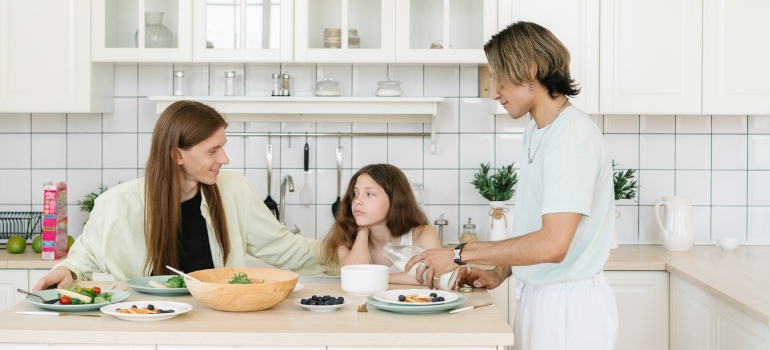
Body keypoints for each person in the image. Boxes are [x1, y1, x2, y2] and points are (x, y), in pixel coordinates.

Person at [408, 22, 618, 349]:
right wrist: (499, 271)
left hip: (569, 311)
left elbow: (553, 244)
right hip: (543, 299)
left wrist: (459, 254)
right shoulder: (538, 131)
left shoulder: (570, 140)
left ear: (531, 69)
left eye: (498, 77)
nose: (494, 92)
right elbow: (534, 225)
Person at [34, 100, 322, 290]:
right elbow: (79, 263)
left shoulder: (234, 190)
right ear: (177, 155)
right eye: (213, 150)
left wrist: (346, 251)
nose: (225, 158)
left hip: (218, 327)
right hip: (146, 326)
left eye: (223, 147)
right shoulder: (116, 205)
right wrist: (66, 273)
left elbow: (286, 249)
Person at [320, 163, 441, 285]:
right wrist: (363, 231)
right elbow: (356, 278)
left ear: (395, 199)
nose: (357, 201)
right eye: (355, 193)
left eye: (369, 194)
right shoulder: (345, 240)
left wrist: (379, 278)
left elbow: (438, 275)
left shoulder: (423, 234)